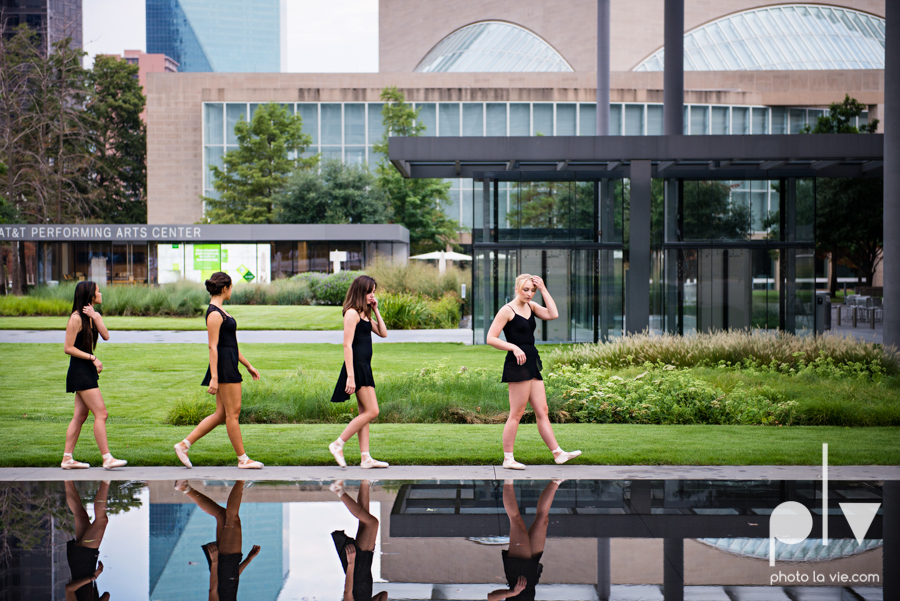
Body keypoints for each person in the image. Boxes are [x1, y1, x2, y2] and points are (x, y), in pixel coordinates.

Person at [486, 274, 581, 470]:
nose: (529, 294)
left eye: (533, 290)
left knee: (542, 410)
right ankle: (508, 459)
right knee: (517, 413)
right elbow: (491, 338)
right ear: (517, 289)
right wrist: (513, 347)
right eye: (525, 290)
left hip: (532, 361)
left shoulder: (532, 307)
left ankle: (558, 453)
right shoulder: (507, 310)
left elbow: (553, 314)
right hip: (517, 363)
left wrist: (544, 290)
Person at [173, 272, 263, 469]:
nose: (232, 290)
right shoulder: (215, 314)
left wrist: (248, 365)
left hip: (229, 362)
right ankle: (242, 459)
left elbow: (231, 345)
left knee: (222, 414)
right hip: (223, 366)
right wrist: (214, 377)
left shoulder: (221, 311)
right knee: (233, 414)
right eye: (231, 286)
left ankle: (184, 445)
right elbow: (213, 347)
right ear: (225, 288)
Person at [62, 281, 127, 470]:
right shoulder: (75, 318)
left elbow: (106, 335)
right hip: (80, 371)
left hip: (86, 370)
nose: (101, 293)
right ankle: (107, 458)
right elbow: (68, 348)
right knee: (101, 413)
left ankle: (67, 459)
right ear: (90, 295)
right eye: (98, 291)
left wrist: (96, 316)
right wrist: (93, 358)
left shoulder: (91, 316)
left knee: (80, 416)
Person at [327, 275, 389, 469]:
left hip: (365, 366)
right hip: (356, 368)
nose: (372, 295)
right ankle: (338, 444)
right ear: (360, 292)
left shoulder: (365, 314)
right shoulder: (352, 313)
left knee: (365, 412)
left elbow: (383, 333)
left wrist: (376, 309)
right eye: (369, 292)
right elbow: (347, 345)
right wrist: (351, 376)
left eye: (374, 292)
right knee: (373, 411)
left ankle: (365, 458)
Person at [175, 480, 260, 601]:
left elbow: (213, 590)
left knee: (233, 519)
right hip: (228, 565)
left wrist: (214, 561)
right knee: (222, 516)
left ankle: (241, 480)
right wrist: (249, 559)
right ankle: (185, 487)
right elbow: (232, 580)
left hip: (224, 562)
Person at [487, 480, 563, 601]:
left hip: (517, 570)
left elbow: (491, 597)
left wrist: (512, 592)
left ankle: (508, 480)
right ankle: (556, 481)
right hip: (531, 574)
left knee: (517, 521)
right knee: (543, 521)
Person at [329, 480, 387, 601]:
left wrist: (351, 563)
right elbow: (384, 594)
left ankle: (338, 490)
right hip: (366, 561)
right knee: (365, 521)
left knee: (372, 523)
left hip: (357, 563)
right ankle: (364, 483)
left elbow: (347, 591)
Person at [64, 480, 110, 601]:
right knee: (80, 514)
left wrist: (92, 578)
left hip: (82, 561)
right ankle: (67, 478)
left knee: (102, 521)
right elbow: (107, 595)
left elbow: (69, 589)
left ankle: (106, 480)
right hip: (83, 560)